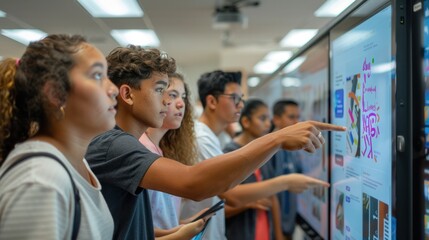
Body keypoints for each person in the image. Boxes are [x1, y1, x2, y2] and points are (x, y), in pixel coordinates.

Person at [85, 46, 345, 239]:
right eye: (160, 90)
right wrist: (277, 138)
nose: (168, 101)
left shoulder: (124, 142)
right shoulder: (113, 144)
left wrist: (162, 233)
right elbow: (194, 183)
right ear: (128, 94)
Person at [180, 70, 340, 240]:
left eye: (241, 99)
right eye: (235, 98)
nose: (241, 105)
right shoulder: (202, 139)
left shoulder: (212, 138)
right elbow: (231, 195)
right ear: (212, 101)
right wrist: (286, 181)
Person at [0, 34, 118, 239]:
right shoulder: (41, 180)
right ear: (55, 93)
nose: (113, 89)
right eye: (98, 75)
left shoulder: (73, 162)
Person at [139, 72, 202, 236]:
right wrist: (176, 233)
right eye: (173, 95)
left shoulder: (160, 150)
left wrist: (184, 225)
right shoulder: (141, 148)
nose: (181, 104)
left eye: (183, 96)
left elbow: (160, 218)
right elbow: (137, 226)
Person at [223, 98, 283, 240]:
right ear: (245, 122)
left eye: (269, 118)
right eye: (262, 118)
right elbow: (220, 208)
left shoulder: (264, 152)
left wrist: (279, 236)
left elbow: (272, 197)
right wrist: (249, 202)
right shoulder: (229, 154)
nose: (268, 124)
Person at [271, 99, 303, 239]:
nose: (296, 122)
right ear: (276, 119)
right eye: (291, 117)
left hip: (289, 225)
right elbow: (269, 195)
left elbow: (299, 179)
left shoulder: (293, 147)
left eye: (298, 117)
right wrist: (278, 234)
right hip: (274, 229)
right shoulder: (268, 150)